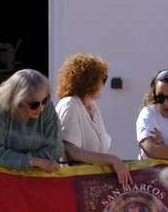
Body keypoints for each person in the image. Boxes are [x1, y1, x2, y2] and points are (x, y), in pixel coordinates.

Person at [55, 54, 131, 188]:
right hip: (74, 185)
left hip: (93, 183)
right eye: (103, 79)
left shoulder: (93, 108)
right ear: (89, 80)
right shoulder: (70, 104)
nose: (103, 84)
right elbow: (72, 152)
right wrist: (113, 160)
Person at [0, 69, 63, 172]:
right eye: (34, 104)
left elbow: (55, 151)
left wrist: (12, 158)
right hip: (2, 178)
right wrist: (36, 162)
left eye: (45, 100)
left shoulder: (47, 107)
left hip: (38, 177)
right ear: (18, 102)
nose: (41, 108)